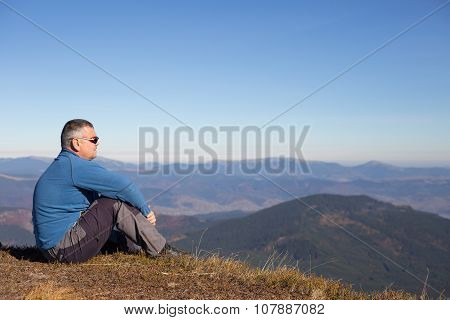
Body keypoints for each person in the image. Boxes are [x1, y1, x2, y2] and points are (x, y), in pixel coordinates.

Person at [32, 119, 183, 263]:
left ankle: (133, 248)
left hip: (55, 248)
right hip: (63, 249)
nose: (97, 144)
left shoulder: (65, 165)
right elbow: (124, 186)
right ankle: (162, 252)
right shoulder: (74, 166)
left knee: (109, 209)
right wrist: (145, 211)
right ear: (76, 143)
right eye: (94, 140)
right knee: (112, 204)